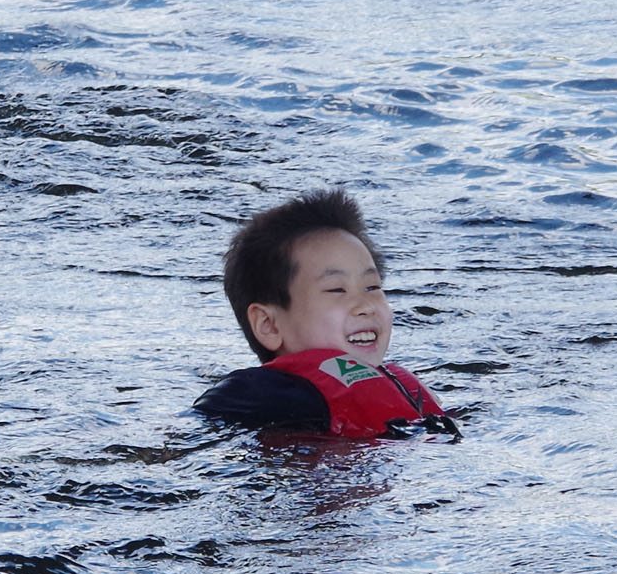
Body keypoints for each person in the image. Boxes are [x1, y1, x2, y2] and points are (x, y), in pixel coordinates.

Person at [195, 188, 459, 439]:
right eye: (336, 289)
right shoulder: (267, 392)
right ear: (269, 325)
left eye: (372, 287)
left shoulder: (407, 392)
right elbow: (193, 429)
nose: (365, 305)